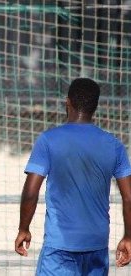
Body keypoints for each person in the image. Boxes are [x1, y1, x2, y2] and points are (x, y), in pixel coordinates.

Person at [14, 78, 131, 275]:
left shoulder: (48, 140)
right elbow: (129, 197)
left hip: (60, 246)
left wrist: (23, 229)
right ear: (95, 107)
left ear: (67, 102)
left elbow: (31, 192)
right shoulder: (114, 145)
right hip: (97, 245)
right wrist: (128, 236)